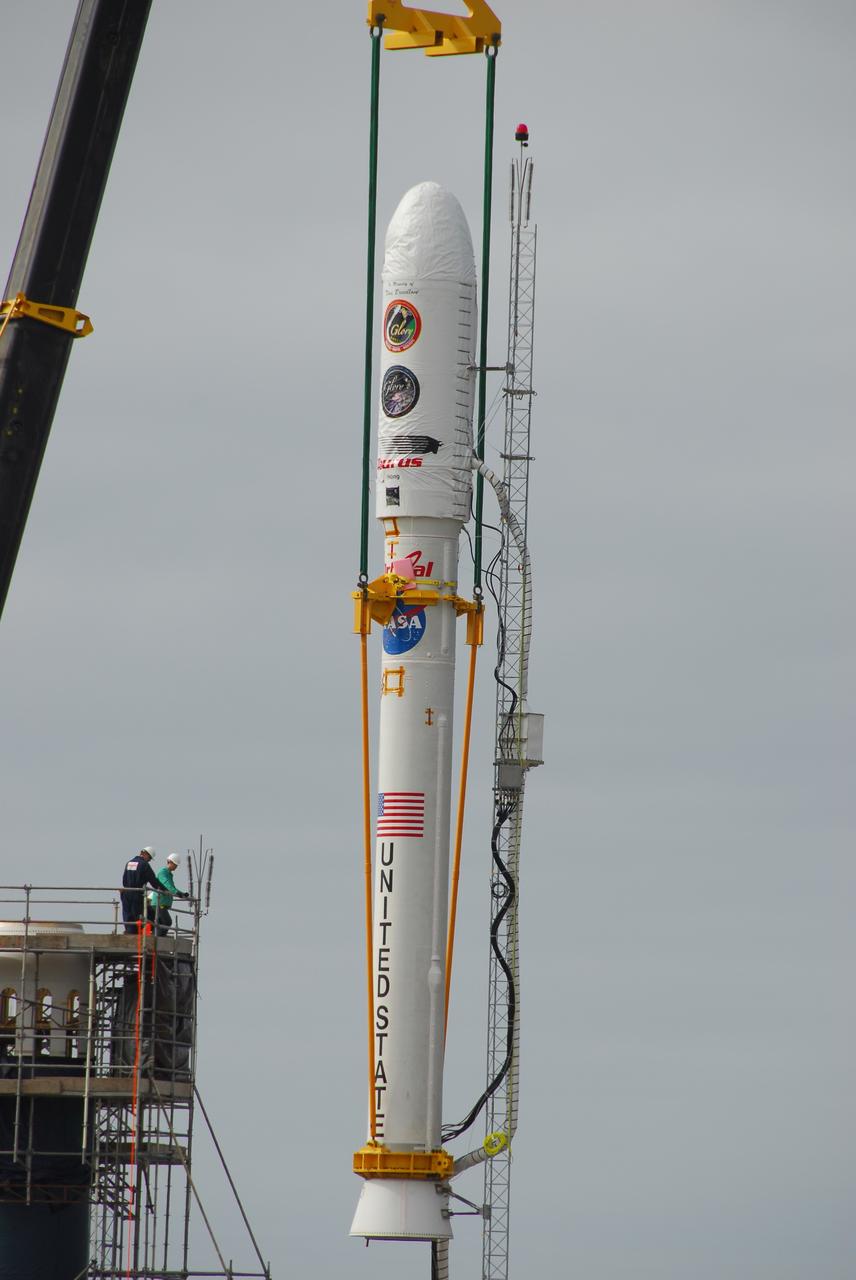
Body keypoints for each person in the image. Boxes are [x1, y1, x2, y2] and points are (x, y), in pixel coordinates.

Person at [147, 853, 190, 936]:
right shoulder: (163, 872)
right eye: (175, 864)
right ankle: (158, 938)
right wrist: (177, 893)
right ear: (169, 862)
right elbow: (167, 885)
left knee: (160, 922)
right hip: (159, 903)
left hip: (162, 903)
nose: (176, 867)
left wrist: (181, 893)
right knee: (167, 922)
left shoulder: (169, 874)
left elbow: (171, 887)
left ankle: (156, 937)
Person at [121, 847, 162, 933]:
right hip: (137, 894)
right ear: (146, 854)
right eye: (150, 858)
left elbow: (124, 880)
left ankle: (129, 933)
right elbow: (153, 881)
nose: (149, 860)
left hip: (126, 893)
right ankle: (136, 936)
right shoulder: (144, 865)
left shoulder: (129, 863)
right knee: (139, 916)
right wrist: (163, 889)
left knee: (128, 916)